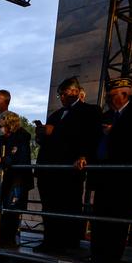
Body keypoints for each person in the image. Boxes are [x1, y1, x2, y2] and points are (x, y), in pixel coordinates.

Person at [88, 77, 132, 263]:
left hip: (125, 179)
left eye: (113, 97)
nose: (109, 101)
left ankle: (111, 257)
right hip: (104, 177)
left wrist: (114, 133)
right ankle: (97, 254)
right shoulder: (108, 115)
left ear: (125, 95)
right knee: (100, 218)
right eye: (108, 97)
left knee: (117, 221)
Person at [35, 76, 102, 252]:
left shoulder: (90, 111)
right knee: (49, 207)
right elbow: (48, 139)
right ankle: (50, 240)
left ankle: (69, 243)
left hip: (68, 170)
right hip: (49, 169)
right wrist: (41, 133)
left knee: (68, 207)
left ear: (74, 92)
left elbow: (87, 136)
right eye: (60, 95)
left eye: (63, 94)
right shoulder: (56, 114)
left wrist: (55, 131)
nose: (62, 98)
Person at [0, 110, 33, 248]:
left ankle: (9, 240)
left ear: (10, 124)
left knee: (11, 211)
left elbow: (20, 158)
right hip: (2, 179)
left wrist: (1, 159)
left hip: (16, 179)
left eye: (2, 124)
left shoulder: (22, 136)